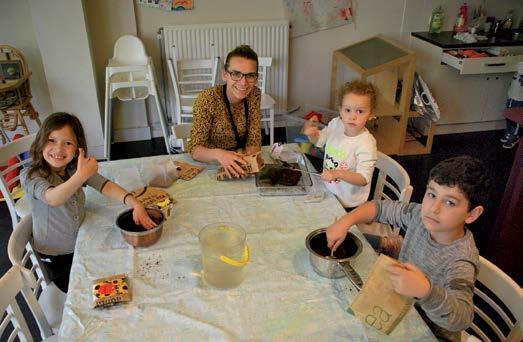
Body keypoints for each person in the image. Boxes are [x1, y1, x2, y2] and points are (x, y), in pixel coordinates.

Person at [326, 155, 490, 341]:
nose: (433, 208)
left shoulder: (461, 260)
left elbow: (461, 318)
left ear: (472, 214)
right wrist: (345, 221)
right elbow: (380, 208)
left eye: (449, 202)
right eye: (432, 194)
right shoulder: (419, 215)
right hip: (398, 306)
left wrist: (426, 291)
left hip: (430, 332)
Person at [21, 112, 157, 292]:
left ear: (78, 147)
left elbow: (104, 185)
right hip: (57, 255)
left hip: (80, 240)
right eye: (51, 140)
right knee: (89, 288)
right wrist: (81, 175)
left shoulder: (72, 167)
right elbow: (54, 198)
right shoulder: (30, 175)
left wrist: (135, 203)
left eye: (67, 143)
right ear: (40, 142)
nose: (59, 149)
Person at [188, 45, 262, 179]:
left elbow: (254, 139)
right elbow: (195, 150)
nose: (243, 82)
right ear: (225, 75)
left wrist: (250, 159)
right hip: (210, 164)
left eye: (250, 75)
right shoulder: (207, 99)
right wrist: (219, 154)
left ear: (256, 78)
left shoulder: (255, 94)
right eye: (236, 74)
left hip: (239, 160)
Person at [302, 80, 377, 209]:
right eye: (347, 110)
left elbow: (363, 179)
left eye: (360, 111)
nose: (352, 116)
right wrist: (311, 134)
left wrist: (338, 173)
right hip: (329, 191)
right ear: (340, 110)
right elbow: (318, 142)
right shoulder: (336, 124)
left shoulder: (366, 143)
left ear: (371, 114)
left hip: (349, 203)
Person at [500, 61, 522, 149]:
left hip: (519, 99)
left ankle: (514, 136)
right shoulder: (517, 72)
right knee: (508, 117)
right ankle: (509, 133)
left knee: (513, 119)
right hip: (511, 97)